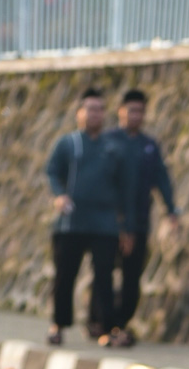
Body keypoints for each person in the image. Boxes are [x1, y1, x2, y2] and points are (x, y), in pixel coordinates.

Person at [44, 88, 135, 346]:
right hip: (71, 223)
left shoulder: (113, 148)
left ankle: (106, 328)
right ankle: (58, 324)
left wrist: (126, 227)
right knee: (65, 276)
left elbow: (125, 189)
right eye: (91, 109)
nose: (96, 114)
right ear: (79, 113)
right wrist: (59, 195)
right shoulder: (68, 144)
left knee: (104, 277)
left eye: (100, 109)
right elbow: (52, 172)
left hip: (104, 225)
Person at [106, 88, 180, 347]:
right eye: (132, 110)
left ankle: (120, 323)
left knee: (132, 276)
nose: (136, 115)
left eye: (140, 111)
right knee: (104, 273)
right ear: (121, 111)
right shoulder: (109, 142)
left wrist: (171, 209)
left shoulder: (148, 146)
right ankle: (101, 322)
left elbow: (162, 179)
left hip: (139, 221)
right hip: (109, 222)